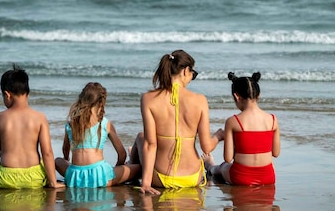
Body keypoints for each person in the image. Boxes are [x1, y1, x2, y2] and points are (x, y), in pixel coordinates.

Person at [129, 49, 224, 195]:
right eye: (193, 74)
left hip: (161, 178)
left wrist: (146, 183)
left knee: (142, 137)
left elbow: (151, 144)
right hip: (193, 177)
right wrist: (218, 136)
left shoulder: (148, 98)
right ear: (186, 71)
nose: (192, 77)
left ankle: (132, 167)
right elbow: (206, 147)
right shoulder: (200, 100)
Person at [0, 66, 63, 189]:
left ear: (7, 95)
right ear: (28, 93)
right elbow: (47, 153)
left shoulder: (1, 117)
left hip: (6, 179)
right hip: (34, 178)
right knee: (44, 162)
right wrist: (53, 182)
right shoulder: (40, 117)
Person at [55, 82, 141, 188]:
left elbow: (65, 150)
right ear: (100, 103)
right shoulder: (105, 123)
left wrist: (70, 162)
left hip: (76, 177)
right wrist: (116, 170)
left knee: (58, 161)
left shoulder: (71, 124)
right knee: (139, 168)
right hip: (100, 177)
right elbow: (122, 154)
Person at [204, 72, 280, 186]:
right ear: (259, 95)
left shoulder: (233, 121)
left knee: (222, 167)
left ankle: (210, 166)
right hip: (268, 177)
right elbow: (276, 153)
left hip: (241, 177)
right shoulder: (273, 120)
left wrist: (224, 137)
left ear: (236, 96)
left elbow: (228, 158)